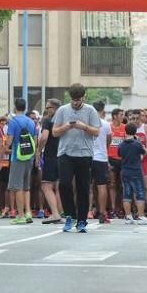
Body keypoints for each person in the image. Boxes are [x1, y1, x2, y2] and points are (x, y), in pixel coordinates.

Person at [52, 83, 102, 233]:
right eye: (73, 100)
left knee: (83, 188)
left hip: (84, 154)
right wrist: (66, 127)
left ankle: (81, 220)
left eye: (78, 100)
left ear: (83, 97)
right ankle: (69, 215)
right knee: (64, 184)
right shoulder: (62, 110)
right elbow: (54, 132)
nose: (75, 103)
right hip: (65, 153)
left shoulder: (91, 111)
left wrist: (84, 127)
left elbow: (97, 132)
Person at [5, 98, 38, 224]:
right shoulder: (31, 121)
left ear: (15, 107)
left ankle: (21, 215)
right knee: (26, 186)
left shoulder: (13, 122)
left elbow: (9, 141)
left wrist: (6, 147)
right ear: (25, 107)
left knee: (17, 187)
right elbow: (35, 140)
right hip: (29, 156)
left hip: (17, 156)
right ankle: (28, 212)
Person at [117, 123, 147, 224]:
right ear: (135, 132)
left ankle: (128, 216)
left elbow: (119, 154)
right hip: (136, 171)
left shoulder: (121, 144)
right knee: (140, 193)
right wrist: (138, 141)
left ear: (125, 131)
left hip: (125, 171)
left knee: (127, 194)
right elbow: (144, 152)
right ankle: (140, 216)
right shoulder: (137, 144)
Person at [37, 99, 64, 223]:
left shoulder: (48, 120)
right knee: (58, 186)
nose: (47, 110)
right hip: (63, 156)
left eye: (48, 108)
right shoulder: (65, 121)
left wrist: (39, 151)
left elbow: (44, 137)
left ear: (54, 108)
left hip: (50, 156)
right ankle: (61, 213)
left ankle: (55, 213)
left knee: (46, 186)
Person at [91, 100, 113, 223]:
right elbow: (109, 140)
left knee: (86, 186)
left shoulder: (87, 123)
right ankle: (102, 212)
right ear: (103, 110)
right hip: (101, 158)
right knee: (102, 186)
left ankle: (86, 210)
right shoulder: (106, 124)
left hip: (87, 157)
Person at [107, 108, 126, 217]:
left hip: (122, 160)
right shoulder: (109, 127)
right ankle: (113, 208)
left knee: (122, 185)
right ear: (114, 116)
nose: (122, 116)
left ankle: (121, 208)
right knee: (112, 184)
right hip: (111, 159)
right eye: (120, 115)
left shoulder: (125, 128)